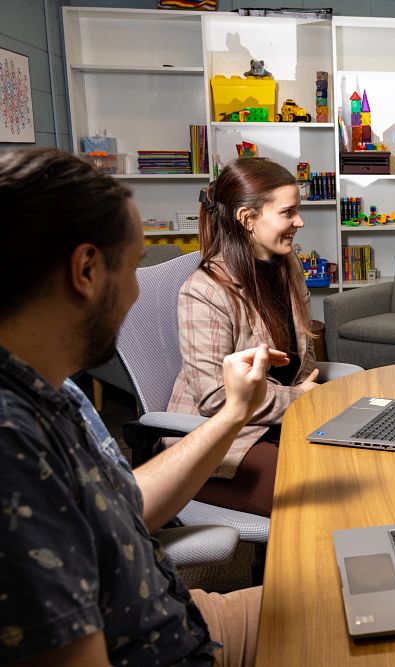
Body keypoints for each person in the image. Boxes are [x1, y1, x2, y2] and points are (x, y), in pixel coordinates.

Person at [0, 148, 276, 665]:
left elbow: (124, 504)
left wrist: (234, 413)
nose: (134, 295)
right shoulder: (12, 446)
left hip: (182, 612)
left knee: (368, 599)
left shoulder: (52, 391)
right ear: (85, 270)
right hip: (169, 648)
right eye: (133, 266)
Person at [168, 158, 358, 517]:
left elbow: (302, 356)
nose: (299, 222)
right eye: (288, 212)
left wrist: (317, 402)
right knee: (330, 503)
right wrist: (298, 401)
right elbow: (214, 398)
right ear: (248, 219)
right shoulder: (204, 291)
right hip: (221, 439)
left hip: (277, 422)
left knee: (361, 468)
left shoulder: (287, 266)